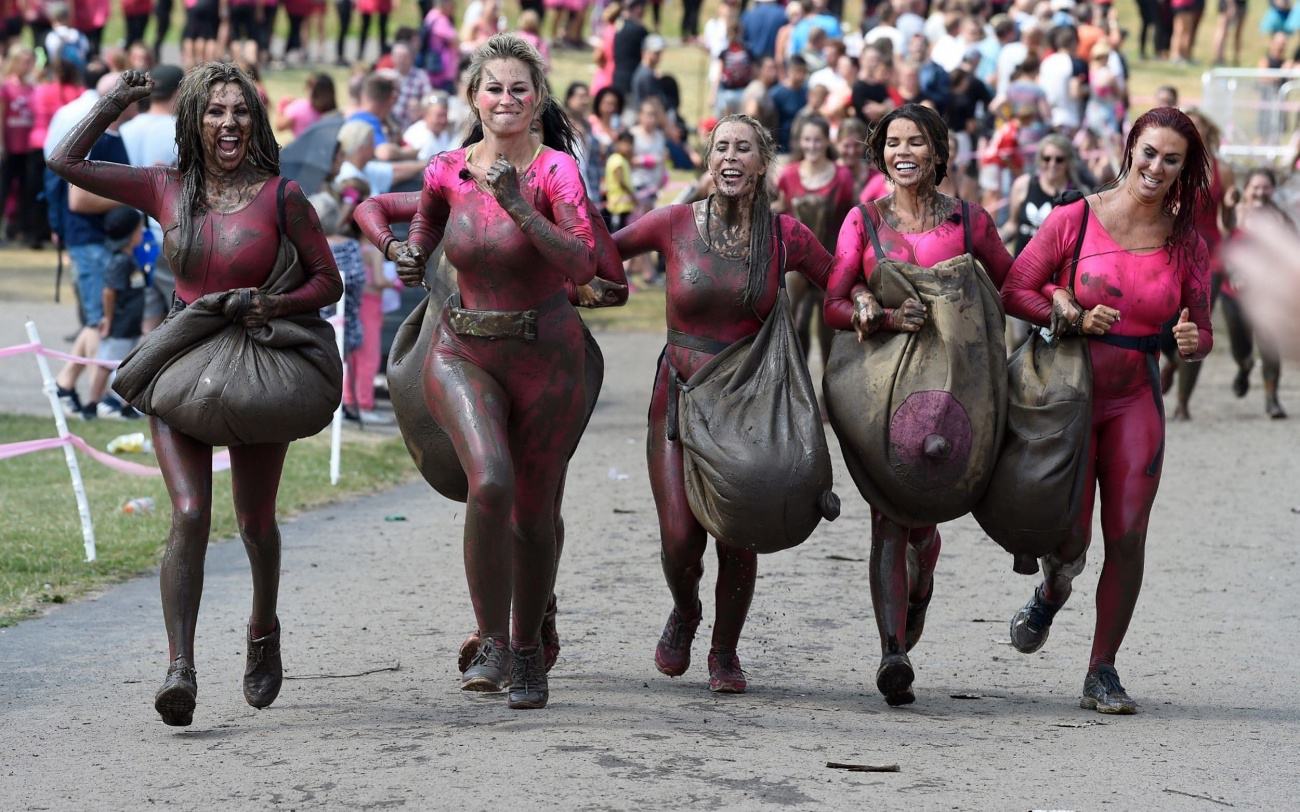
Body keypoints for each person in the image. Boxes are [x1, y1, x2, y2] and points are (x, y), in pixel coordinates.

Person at [47, 64, 343, 726]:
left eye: (240, 111)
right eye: (215, 111)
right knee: (188, 514)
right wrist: (113, 104)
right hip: (179, 366)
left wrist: (276, 300)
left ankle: (262, 628)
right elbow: (63, 159)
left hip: (259, 367)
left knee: (256, 521)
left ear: (256, 122)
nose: (229, 122)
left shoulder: (283, 195)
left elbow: (328, 281)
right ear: (194, 122)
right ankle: (179, 668)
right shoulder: (164, 187)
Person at [354, 34, 597, 710]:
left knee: (534, 512)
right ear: (474, 98)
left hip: (548, 358)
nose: (506, 99)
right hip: (465, 353)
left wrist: (520, 204)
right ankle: (492, 638)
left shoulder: (556, 175)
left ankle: (528, 649)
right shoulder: (444, 170)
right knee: (491, 480)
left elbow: (582, 262)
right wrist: (403, 253)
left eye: (520, 88)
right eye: (494, 87)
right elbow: (424, 237)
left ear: (538, 99)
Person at [1001, 106, 1213, 714]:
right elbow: (1016, 287)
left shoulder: (1185, 240)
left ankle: (1102, 669)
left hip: (1135, 398)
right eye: (1149, 153)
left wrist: (1194, 342)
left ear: (1182, 169)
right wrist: (1063, 310)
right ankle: (1051, 591)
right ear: (1131, 150)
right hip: (1068, 395)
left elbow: (1201, 326)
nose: (1157, 167)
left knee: (1128, 534)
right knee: (1069, 538)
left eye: (1171, 160)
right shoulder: (1076, 217)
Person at [611, 113, 833, 694]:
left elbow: (842, 284)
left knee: (739, 528)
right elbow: (600, 257)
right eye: (720, 149)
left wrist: (878, 308)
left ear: (763, 165)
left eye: (743, 149)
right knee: (681, 539)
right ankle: (686, 610)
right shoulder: (674, 223)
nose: (730, 158)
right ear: (708, 162)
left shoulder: (785, 236)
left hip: (750, 405)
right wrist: (571, 282)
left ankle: (725, 650)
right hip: (679, 398)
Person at [823, 104, 1013, 707]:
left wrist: (1069, 307)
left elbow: (1013, 288)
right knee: (888, 516)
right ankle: (891, 652)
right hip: (886, 393)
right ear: (880, 154)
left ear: (938, 152)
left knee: (920, 530)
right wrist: (870, 310)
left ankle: (922, 577)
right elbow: (831, 302)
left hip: (957, 397)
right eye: (893, 143)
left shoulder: (969, 222)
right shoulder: (862, 222)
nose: (904, 151)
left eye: (917, 142)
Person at [1169, 109, 1234, 420]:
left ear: (1208, 129)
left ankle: (1183, 401)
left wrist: (1233, 206)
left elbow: (1229, 221)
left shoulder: (1224, 169)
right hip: (1176, 252)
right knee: (1166, 320)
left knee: (1199, 325)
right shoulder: (1174, 164)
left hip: (1212, 255)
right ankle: (1170, 361)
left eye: (1196, 124)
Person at [777, 115, 853, 374]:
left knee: (829, 332)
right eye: (807, 140)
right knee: (793, 325)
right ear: (800, 142)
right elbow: (780, 211)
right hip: (796, 264)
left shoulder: (842, 176)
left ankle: (829, 396)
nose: (812, 145)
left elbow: (850, 220)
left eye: (817, 140)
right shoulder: (788, 175)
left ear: (826, 142)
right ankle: (795, 390)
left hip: (831, 262)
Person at [1223, 168, 1289, 418]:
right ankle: (1245, 366)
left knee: (1270, 347)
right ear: (1247, 188)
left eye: (1266, 187)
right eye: (1255, 187)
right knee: (1241, 348)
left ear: (1272, 190)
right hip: (1233, 294)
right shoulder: (1233, 215)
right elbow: (1221, 247)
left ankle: (1272, 400)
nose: (1260, 192)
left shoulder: (1279, 219)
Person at [84, 206, 147, 419]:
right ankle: (92, 403)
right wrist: (108, 319)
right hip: (120, 325)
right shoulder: (120, 262)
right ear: (131, 235)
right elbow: (109, 292)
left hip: (130, 324)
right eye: (140, 230)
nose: (142, 233)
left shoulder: (129, 259)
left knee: (128, 365)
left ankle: (126, 405)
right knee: (106, 365)